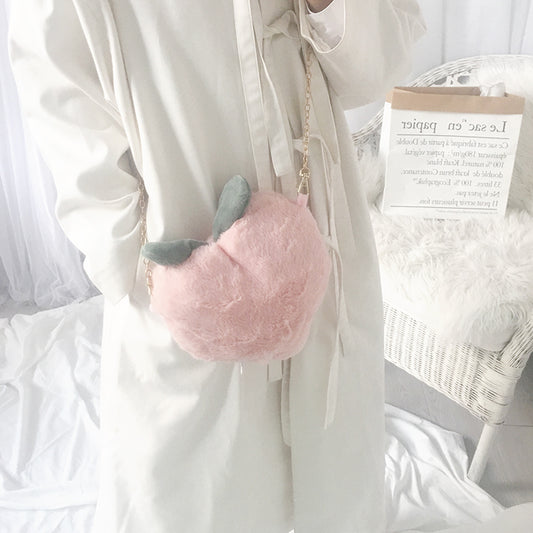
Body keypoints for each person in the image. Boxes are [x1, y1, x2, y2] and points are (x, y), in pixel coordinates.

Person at [8, 0, 425, 531]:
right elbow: (63, 100)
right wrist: (148, 269)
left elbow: (375, 73)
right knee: (200, 480)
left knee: (331, 465)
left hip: (320, 226)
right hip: (184, 241)